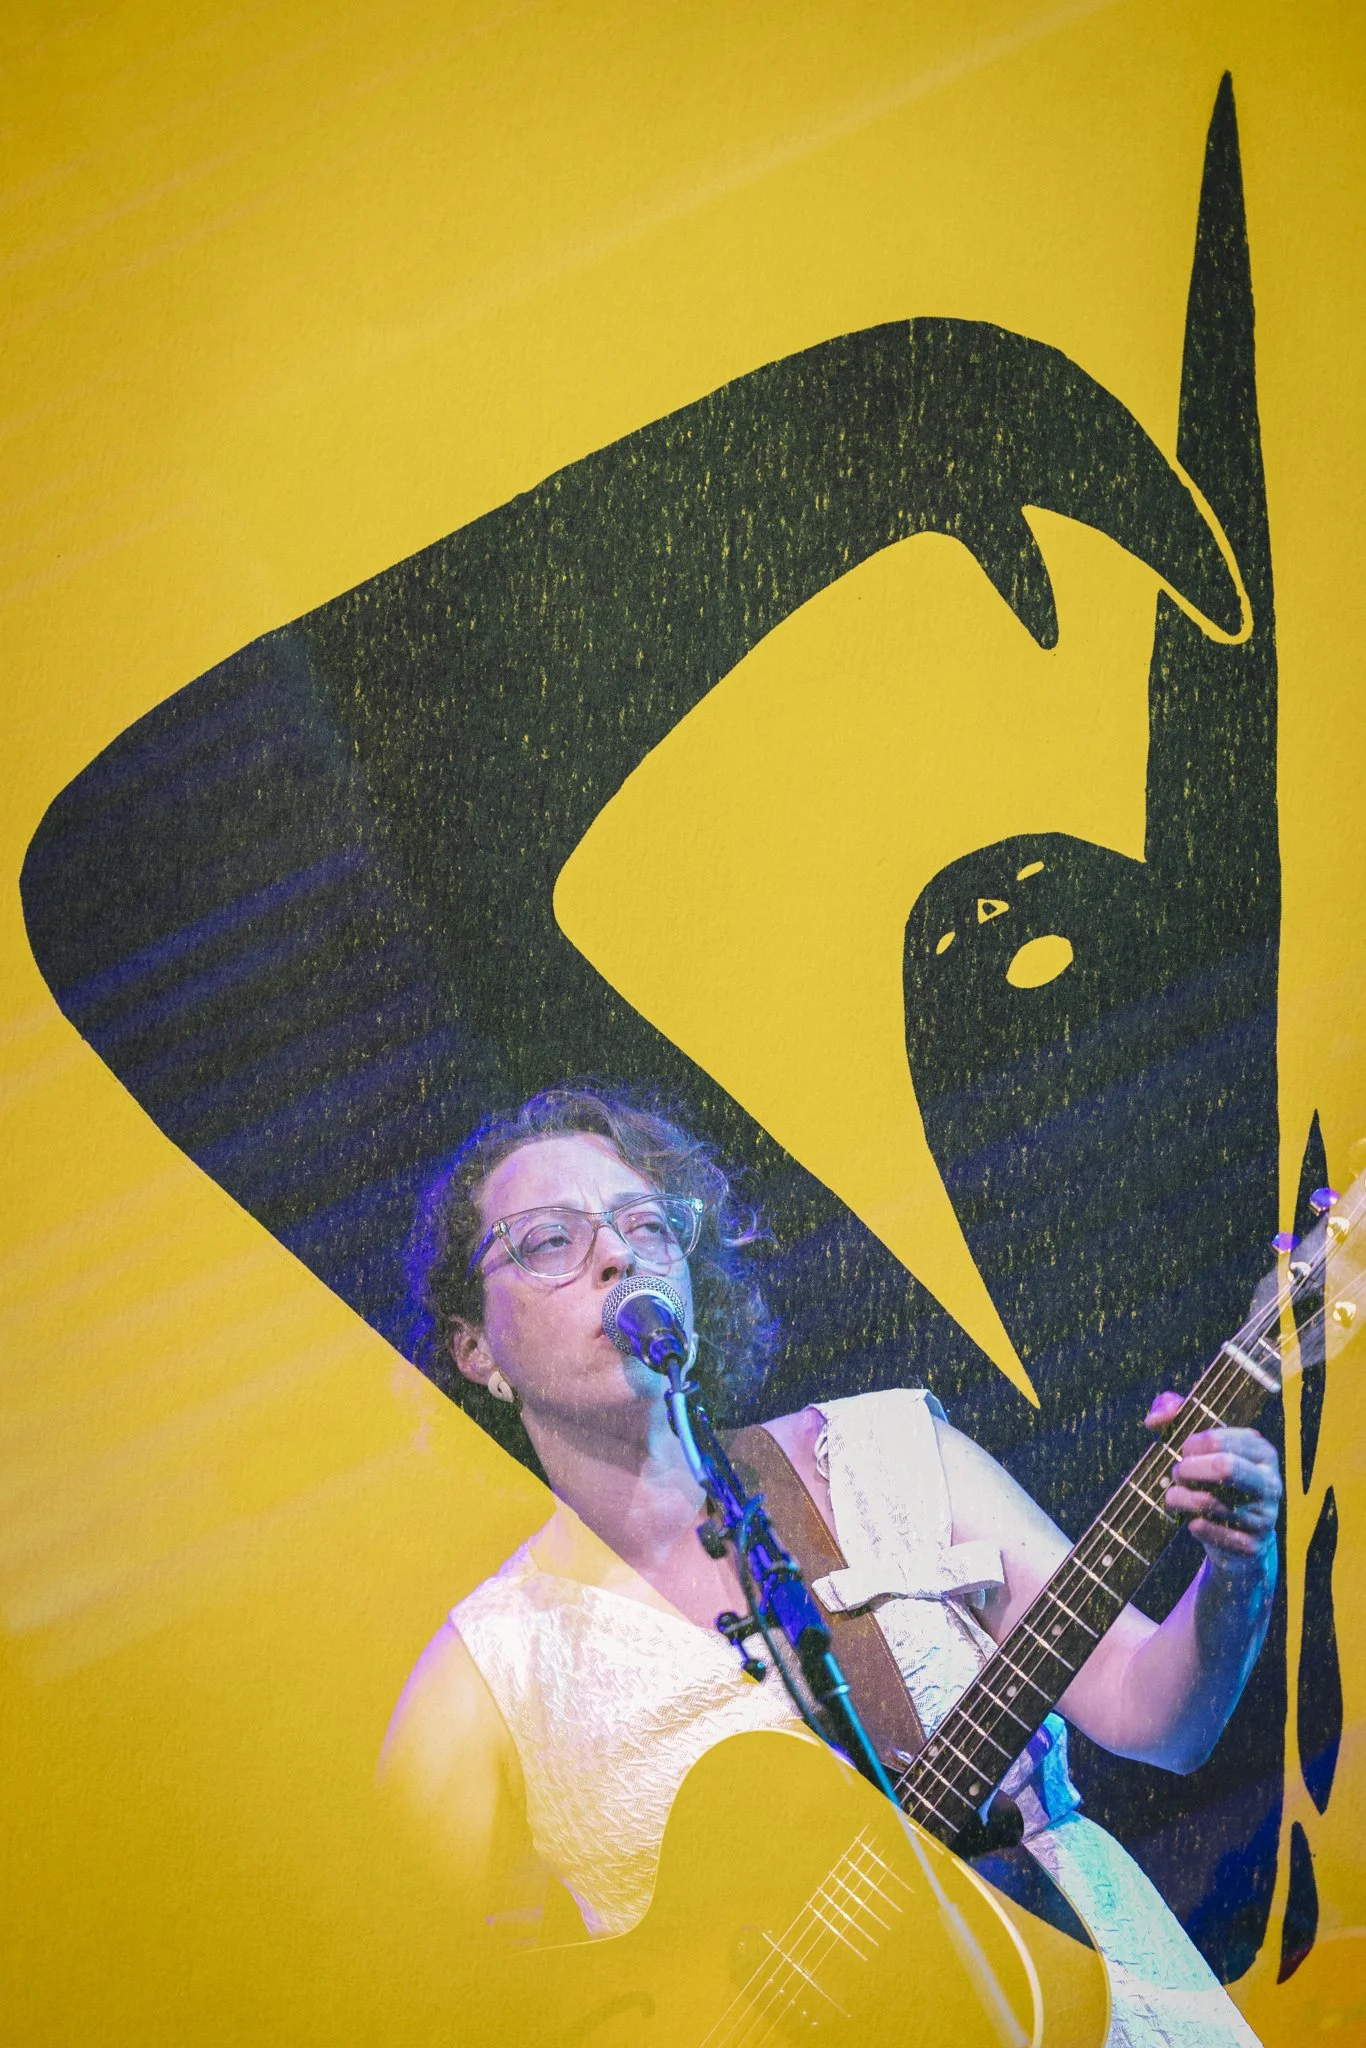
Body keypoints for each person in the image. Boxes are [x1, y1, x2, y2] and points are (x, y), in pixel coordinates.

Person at [381, 1087, 1280, 2047]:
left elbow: (1160, 1721)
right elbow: (413, 2006)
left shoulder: (886, 1456)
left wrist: (1236, 1573)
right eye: (550, 1242)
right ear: (474, 1348)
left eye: (646, 1223)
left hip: (1102, 2006)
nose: (616, 1254)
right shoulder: (480, 1681)